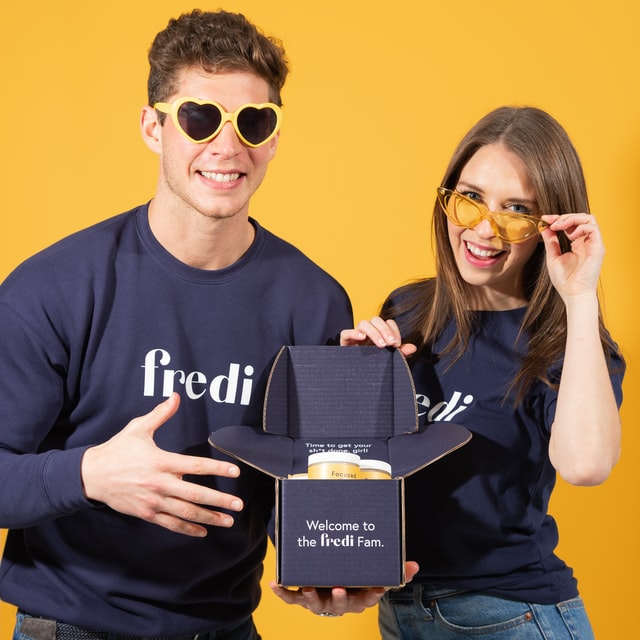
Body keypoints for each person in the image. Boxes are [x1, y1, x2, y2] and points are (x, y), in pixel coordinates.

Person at [0, 9, 393, 639]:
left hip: (226, 627)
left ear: (274, 137)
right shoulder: (53, 288)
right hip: (75, 625)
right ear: (153, 127)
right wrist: (90, 474)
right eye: (200, 117)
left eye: (253, 122)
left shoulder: (315, 302)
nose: (228, 147)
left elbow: (297, 487)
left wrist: (328, 568)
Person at [340, 106, 625, 639]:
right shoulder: (408, 310)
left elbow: (586, 466)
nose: (484, 229)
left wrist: (580, 296)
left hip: (510, 614)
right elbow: (367, 468)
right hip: (403, 610)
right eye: (470, 197)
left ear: (549, 226)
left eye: (516, 210)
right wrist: (348, 383)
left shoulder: (567, 340)